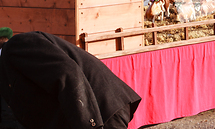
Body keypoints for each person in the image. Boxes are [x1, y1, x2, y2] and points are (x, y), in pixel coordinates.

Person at [0, 29, 141, 129]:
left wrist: (89, 124)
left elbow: (67, 73)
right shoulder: (5, 72)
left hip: (100, 110)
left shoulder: (16, 46)